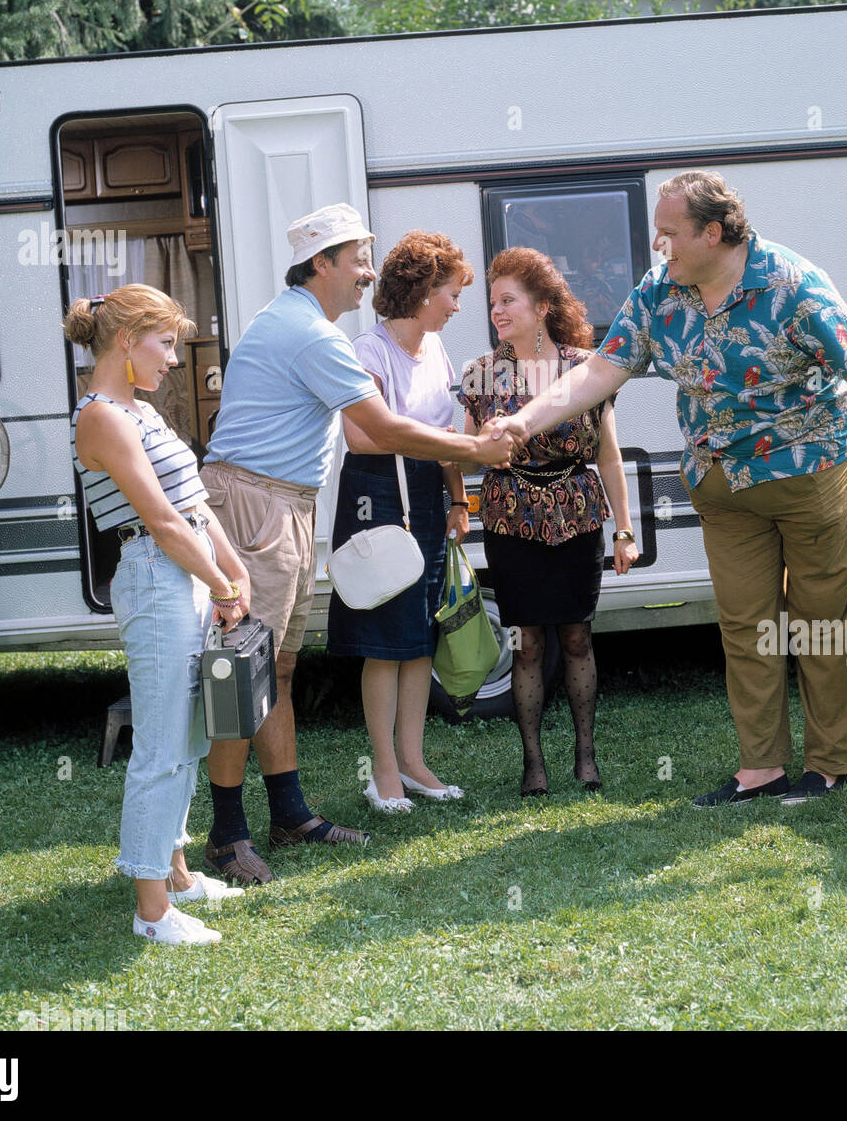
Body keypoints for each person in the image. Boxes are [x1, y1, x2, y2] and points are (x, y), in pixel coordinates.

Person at [493, 172, 847, 807]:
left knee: (824, 622)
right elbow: (600, 371)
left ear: (712, 233)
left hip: (813, 471)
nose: (659, 246)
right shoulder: (660, 293)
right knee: (746, 624)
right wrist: (522, 420)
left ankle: (827, 766)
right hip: (724, 483)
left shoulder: (793, 284)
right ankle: (761, 768)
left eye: (669, 234)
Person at [199, 204, 512, 883]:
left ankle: (289, 816)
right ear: (322, 264)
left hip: (272, 504)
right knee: (240, 674)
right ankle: (226, 836)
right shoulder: (313, 335)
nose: (369, 275)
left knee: (272, 672)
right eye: (358, 260)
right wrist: (474, 448)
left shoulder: (293, 321)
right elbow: (383, 429)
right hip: (257, 505)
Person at [65, 284, 252, 946]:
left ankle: (176, 872)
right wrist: (222, 586)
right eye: (165, 343)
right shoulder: (101, 416)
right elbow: (164, 523)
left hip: (185, 573)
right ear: (125, 339)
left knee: (189, 735)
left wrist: (232, 572)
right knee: (159, 747)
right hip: (154, 577)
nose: (174, 358)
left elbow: (196, 506)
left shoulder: (141, 411)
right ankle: (151, 912)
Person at [458, 248, 639, 797]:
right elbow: (462, 458)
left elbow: (608, 456)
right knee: (526, 644)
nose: (497, 311)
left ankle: (587, 757)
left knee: (578, 638)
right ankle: (532, 763)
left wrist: (625, 531)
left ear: (541, 307)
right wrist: (483, 445)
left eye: (508, 300)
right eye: (493, 303)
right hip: (510, 518)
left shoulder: (589, 367)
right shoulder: (481, 374)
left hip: (578, 512)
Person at [327, 231, 473, 812]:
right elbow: (363, 436)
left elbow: (449, 441)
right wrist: (441, 448)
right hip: (379, 495)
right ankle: (382, 772)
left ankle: (413, 763)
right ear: (423, 291)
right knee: (384, 640)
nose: (458, 306)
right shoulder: (369, 351)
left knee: (419, 637)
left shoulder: (435, 350)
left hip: (428, 494)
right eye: (452, 292)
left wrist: (459, 501)